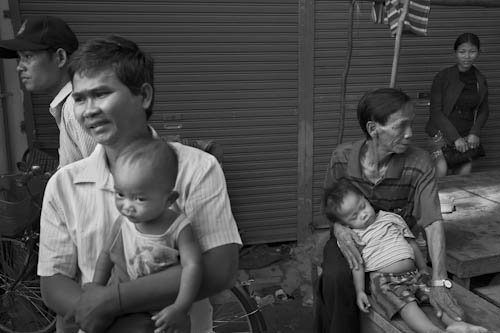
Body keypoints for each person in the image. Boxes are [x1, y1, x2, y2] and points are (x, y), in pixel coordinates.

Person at [37, 34, 242, 333]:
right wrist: (96, 315)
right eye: (80, 98)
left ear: (143, 96)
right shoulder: (64, 184)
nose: (88, 109)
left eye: (101, 94)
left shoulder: (196, 168)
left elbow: (219, 269)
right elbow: (53, 282)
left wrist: (113, 301)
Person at [314, 88, 464, 333]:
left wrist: (439, 280)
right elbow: (330, 209)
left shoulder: (419, 162)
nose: (410, 134)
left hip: (394, 241)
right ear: (374, 129)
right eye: (400, 126)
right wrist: (340, 229)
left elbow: (432, 221)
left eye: (411, 124)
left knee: (423, 287)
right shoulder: (342, 157)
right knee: (334, 278)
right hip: (353, 237)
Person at [322, 180, 488, 333]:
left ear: (366, 198)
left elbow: (412, 244)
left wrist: (423, 268)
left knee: (435, 295)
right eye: (354, 216)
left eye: (363, 206)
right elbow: (357, 264)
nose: (363, 214)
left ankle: (454, 324)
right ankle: (430, 330)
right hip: (385, 280)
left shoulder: (391, 218)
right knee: (406, 304)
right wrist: (359, 291)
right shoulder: (354, 235)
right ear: (344, 224)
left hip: (414, 273)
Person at [92, 137, 211, 333]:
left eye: (139, 198)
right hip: (126, 308)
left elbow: (193, 266)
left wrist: (180, 307)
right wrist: (96, 287)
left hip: (164, 311)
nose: (127, 206)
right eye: (120, 194)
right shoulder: (122, 223)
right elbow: (107, 255)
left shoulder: (178, 227)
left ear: (169, 199)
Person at [0, 15, 97, 167]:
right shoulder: (69, 105)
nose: (20, 66)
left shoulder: (76, 108)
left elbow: (104, 180)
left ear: (60, 57)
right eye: (20, 58)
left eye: (28, 56)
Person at [425, 33, 489, 177]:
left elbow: (484, 110)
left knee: (464, 174)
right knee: (441, 170)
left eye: (472, 52)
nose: (467, 56)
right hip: (440, 135)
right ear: (455, 53)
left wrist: (475, 132)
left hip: (466, 136)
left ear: (478, 52)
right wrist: (455, 138)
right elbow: (435, 112)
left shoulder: (480, 79)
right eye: (462, 52)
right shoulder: (443, 77)